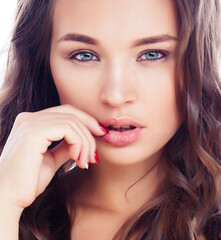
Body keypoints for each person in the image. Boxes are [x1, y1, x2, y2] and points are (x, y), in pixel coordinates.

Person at [0, 0, 220, 239]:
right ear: (44, 63)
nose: (115, 96)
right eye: (84, 56)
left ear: (200, 61)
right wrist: (5, 201)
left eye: (152, 54)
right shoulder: (15, 207)